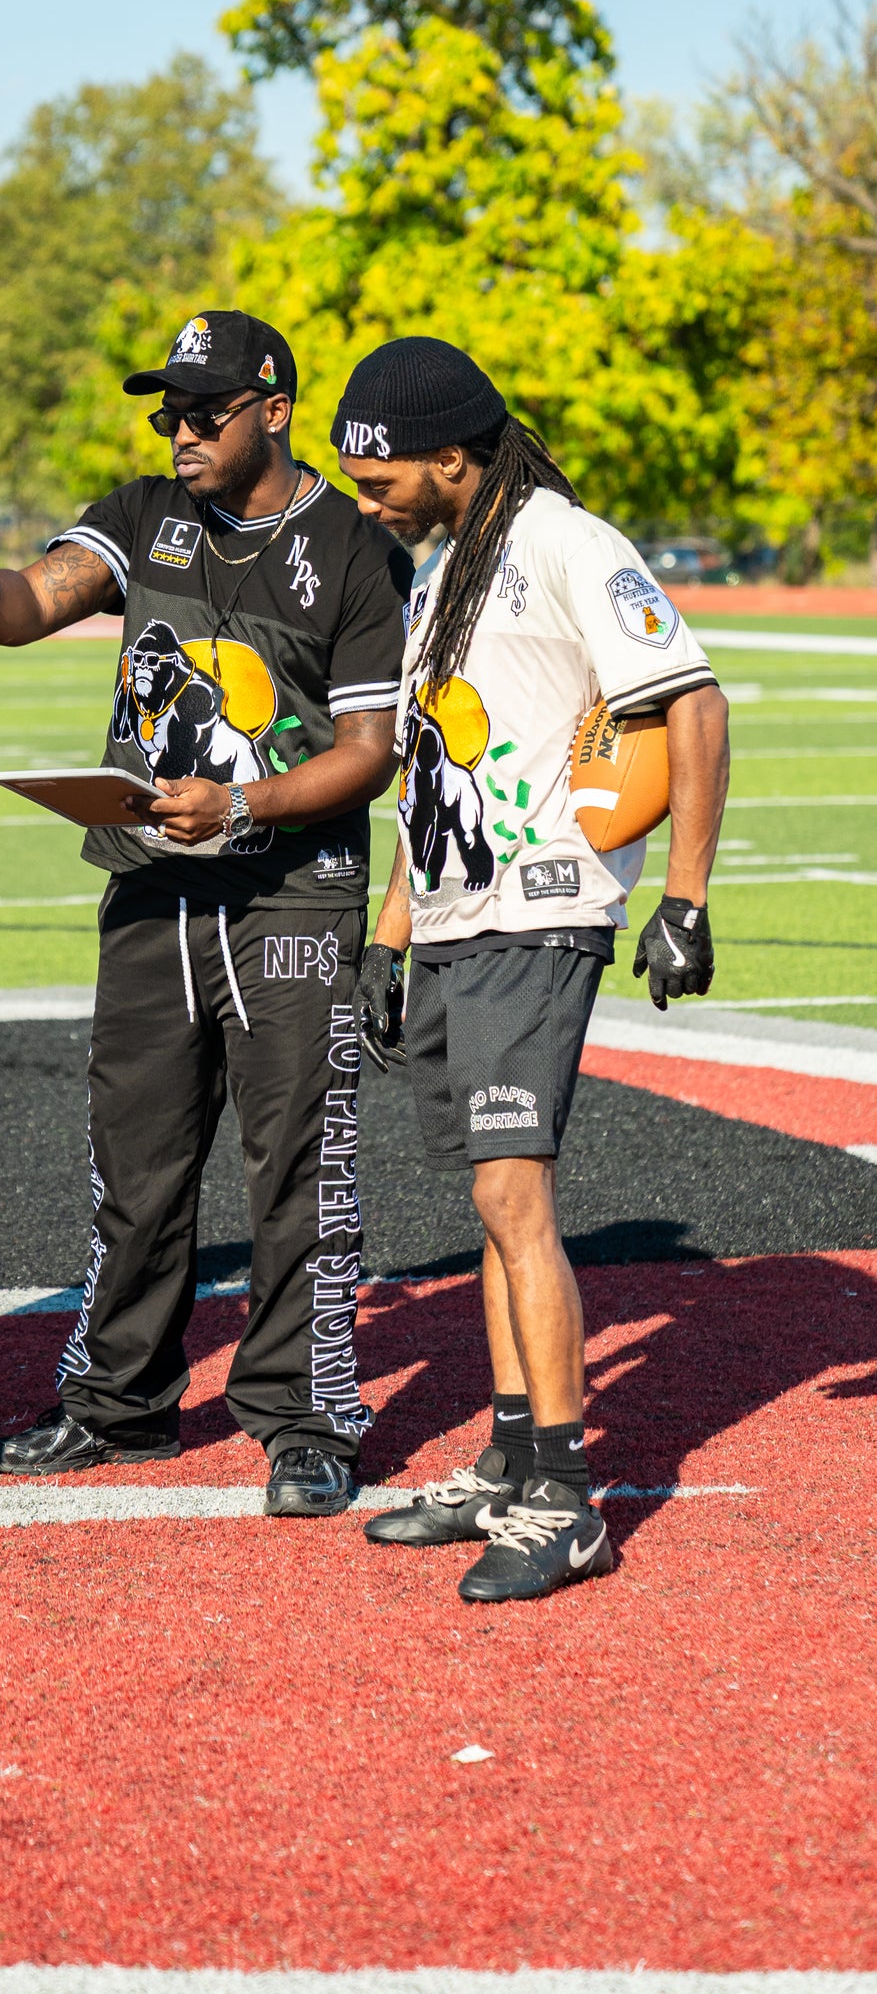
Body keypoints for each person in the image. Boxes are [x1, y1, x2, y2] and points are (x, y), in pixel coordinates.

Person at [0, 310, 410, 1518]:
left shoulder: (351, 547)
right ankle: (117, 1402)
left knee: (295, 1165)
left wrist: (242, 805)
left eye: (203, 413)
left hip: (288, 890)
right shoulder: (144, 511)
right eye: (167, 414)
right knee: (134, 1157)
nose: (179, 433)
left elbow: (369, 748)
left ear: (273, 409)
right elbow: (38, 598)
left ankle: (302, 1417)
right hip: (149, 881)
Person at [338, 336, 729, 1603]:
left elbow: (692, 701)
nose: (365, 499)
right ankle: (511, 1462)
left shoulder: (565, 540)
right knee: (488, 1214)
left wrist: (683, 897)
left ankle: (565, 1500)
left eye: (379, 476)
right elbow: (427, 783)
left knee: (514, 1203)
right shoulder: (442, 567)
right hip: (455, 922)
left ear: (451, 457)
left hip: (540, 914)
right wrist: (391, 938)